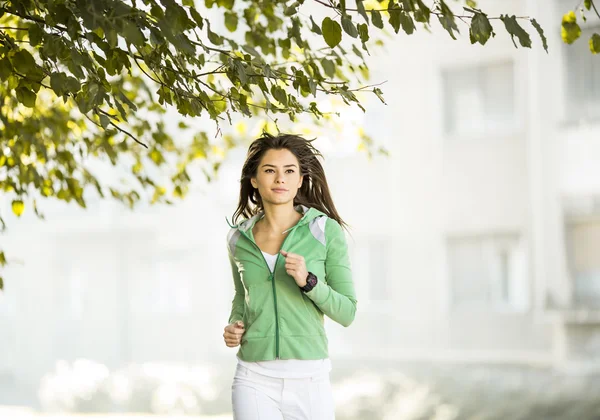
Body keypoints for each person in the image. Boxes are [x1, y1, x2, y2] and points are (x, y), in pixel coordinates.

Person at [223, 132, 357, 419]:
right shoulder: (238, 238)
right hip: (253, 377)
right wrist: (234, 324)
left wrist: (309, 282)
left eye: (289, 171)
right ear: (254, 180)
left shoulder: (324, 231)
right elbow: (241, 295)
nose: (280, 179)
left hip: (310, 379)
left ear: (300, 180)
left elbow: (347, 312)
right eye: (270, 170)